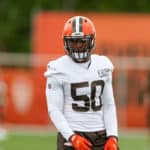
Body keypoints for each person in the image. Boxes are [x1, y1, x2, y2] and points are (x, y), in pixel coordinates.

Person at [44, 16, 119, 150]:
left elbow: (109, 105)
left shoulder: (103, 65)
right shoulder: (57, 69)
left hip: (101, 135)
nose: (78, 46)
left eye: (82, 41)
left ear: (91, 41)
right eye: (74, 42)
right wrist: (71, 136)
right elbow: (54, 110)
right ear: (66, 43)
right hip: (72, 133)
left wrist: (113, 135)